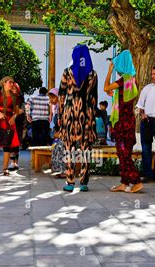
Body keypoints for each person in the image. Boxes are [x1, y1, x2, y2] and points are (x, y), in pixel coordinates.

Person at [58, 44, 98, 192]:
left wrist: (60, 118)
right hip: (86, 116)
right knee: (85, 150)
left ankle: (69, 182)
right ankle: (83, 182)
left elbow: (61, 95)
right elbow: (94, 98)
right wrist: (93, 120)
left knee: (69, 149)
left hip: (69, 114)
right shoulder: (93, 74)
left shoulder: (67, 73)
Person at [104, 50, 143, 193]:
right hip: (128, 121)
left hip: (122, 123)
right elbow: (120, 96)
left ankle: (137, 181)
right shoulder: (131, 80)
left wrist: (109, 71)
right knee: (123, 153)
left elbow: (105, 87)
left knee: (124, 154)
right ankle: (124, 183)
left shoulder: (123, 80)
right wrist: (114, 93)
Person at [49, 87, 66, 178]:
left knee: (60, 146)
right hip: (61, 135)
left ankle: (64, 171)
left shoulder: (64, 108)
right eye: (50, 98)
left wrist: (60, 133)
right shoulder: (56, 109)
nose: (51, 100)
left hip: (68, 135)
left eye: (53, 98)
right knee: (56, 146)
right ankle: (58, 169)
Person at [9, 82, 25, 171]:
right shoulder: (8, 97)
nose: (12, 90)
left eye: (14, 88)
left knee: (16, 142)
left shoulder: (20, 97)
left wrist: (15, 111)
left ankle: (15, 163)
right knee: (10, 142)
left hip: (18, 122)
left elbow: (21, 110)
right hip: (10, 122)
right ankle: (12, 162)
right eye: (11, 88)